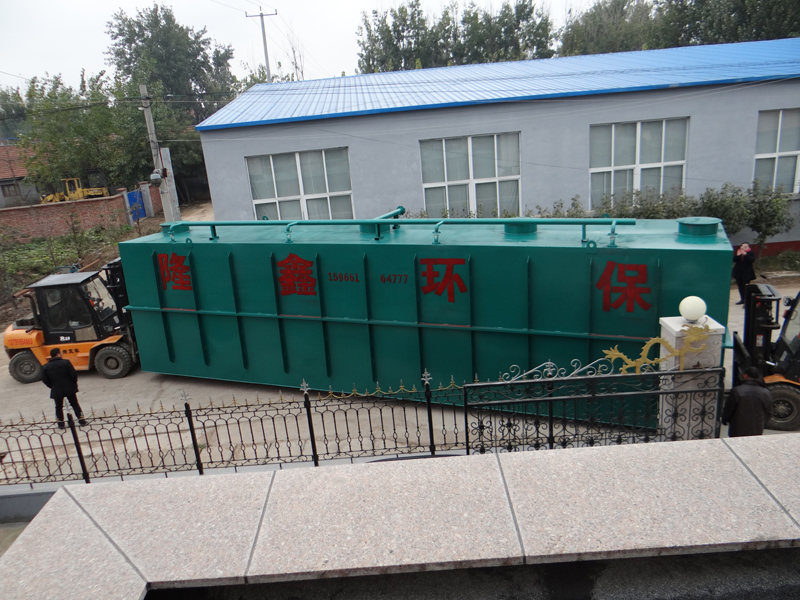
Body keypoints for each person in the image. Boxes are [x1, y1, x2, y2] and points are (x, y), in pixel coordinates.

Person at [42, 348, 87, 429]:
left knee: (58, 406)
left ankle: (60, 424)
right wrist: (73, 383)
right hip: (69, 387)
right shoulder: (66, 363)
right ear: (58, 354)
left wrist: (52, 386)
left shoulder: (46, 367)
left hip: (56, 389)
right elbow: (73, 375)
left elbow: (45, 379)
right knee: (74, 404)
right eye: (61, 353)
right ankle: (81, 420)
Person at [721, 366, 773, 437]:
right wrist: (762, 422)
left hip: (737, 427)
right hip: (756, 427)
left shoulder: (737, 390)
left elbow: (729, 408)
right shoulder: (765, 392)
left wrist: (725, 419)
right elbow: (769, 411)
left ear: (745, 376)